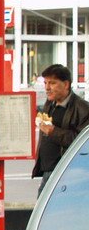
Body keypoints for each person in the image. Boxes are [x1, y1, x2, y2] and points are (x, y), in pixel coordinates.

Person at [31, 64, 89, 195]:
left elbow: (83, 143)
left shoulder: (82, 109)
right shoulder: (49, 104)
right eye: (45, 83)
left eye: (52, 83)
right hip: (48, 172)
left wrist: (53, 131)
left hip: (67, 174)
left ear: (66, 84)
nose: (47, 88)